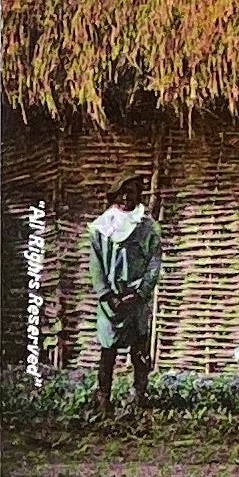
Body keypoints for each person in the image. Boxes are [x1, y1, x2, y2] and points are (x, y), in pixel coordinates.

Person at [89, 175, 162, 416]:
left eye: (131, 192)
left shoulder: (147, 226)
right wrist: (107, 295)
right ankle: (103, 399)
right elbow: (96, 264)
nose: (126, 197)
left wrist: (141, 293)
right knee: (108, 350)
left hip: (137, 299)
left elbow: (154, 263)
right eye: (122, 192)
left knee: (139, 348)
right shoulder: (101, 227)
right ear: (114, 196)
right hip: (111, 300)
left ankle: (139, 396)